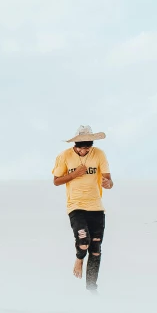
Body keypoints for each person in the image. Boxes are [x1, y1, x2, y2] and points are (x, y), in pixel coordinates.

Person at [52, 125, 114, 292]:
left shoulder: (99, 154)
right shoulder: (64, 156)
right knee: (83, 241)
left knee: (96, 248)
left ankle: (91, 289)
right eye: (81, 149)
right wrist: (75, 174)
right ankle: (79, 258)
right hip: (76, 206)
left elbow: (109, 180)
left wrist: (108, 183)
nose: (84, 152)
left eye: (87, 148)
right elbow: (56, 181)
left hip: (96, 207)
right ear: (75, 146)